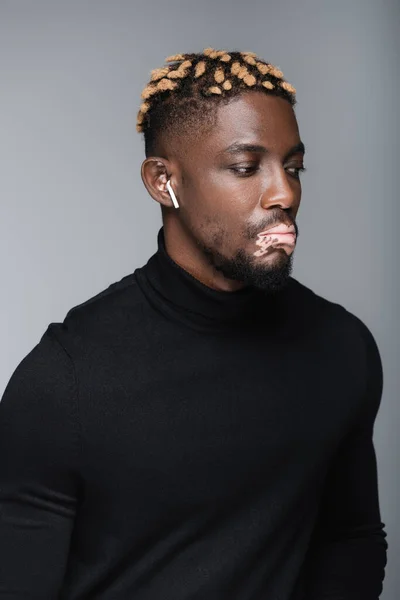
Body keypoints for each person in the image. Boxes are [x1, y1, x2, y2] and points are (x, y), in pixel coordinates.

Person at [0, 48, 387, 599]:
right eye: (247, 167)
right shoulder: (66, 380)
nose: (285, 194)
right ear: (164, 182)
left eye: (293, 166)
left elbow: (350, 540)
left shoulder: (341, 348)